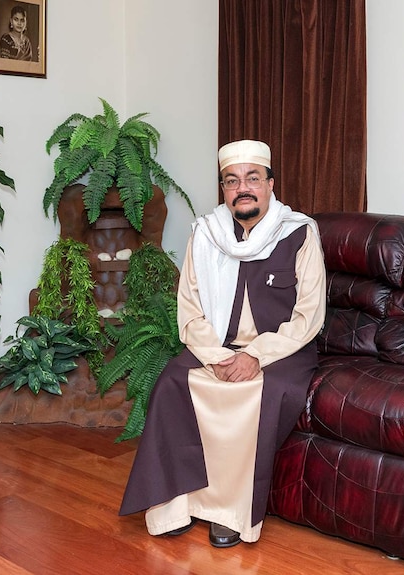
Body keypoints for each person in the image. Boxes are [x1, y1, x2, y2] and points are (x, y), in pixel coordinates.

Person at [119, 139, 326, 548]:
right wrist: (214, 355)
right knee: (173, 383)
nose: (242, 187)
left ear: (270, 184)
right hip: (216, 345)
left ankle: (229, 516)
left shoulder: (299, 233)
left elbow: (310, 315)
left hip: (281, 350)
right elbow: (189, 308)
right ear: (223, 190)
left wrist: (255, 355)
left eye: (252, 178)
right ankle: (174, 507)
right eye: (232, 181)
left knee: (256, 393)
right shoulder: (207, 233)